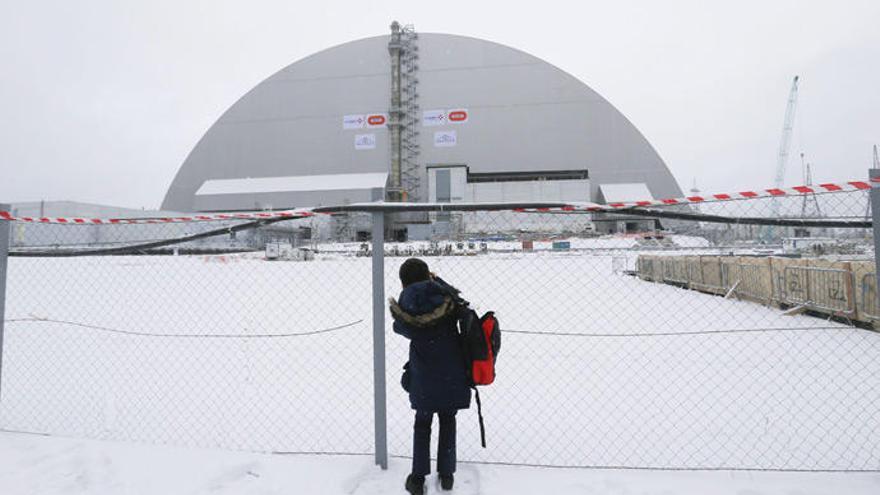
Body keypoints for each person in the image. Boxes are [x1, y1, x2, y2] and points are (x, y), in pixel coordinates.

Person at [389, 258, 471, 494]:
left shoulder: (407, 303)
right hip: (452, 370)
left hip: (423, 374)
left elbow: (400, 327)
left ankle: (417, 477)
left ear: (404, 282)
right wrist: (436, 281)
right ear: (428, 276)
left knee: (422, 424)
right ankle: (447, 475)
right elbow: (458, 298)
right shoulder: (444, 296)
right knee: (448, 420)